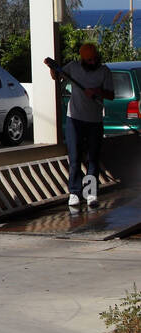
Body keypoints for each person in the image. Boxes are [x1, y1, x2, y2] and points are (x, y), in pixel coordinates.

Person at [47, 43, 114, 214]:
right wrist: (53, 68)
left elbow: (111, 95)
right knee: (75, 156)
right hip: (74, 119)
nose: (92, 62)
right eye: (88, 60)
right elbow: (57, 76)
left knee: (93, 157)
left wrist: (97, 91)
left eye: (94, 59)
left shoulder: (104, 71)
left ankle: (90, 193)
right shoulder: (73, 68)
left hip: (94, 120)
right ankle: (75, 192)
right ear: (82, 59)